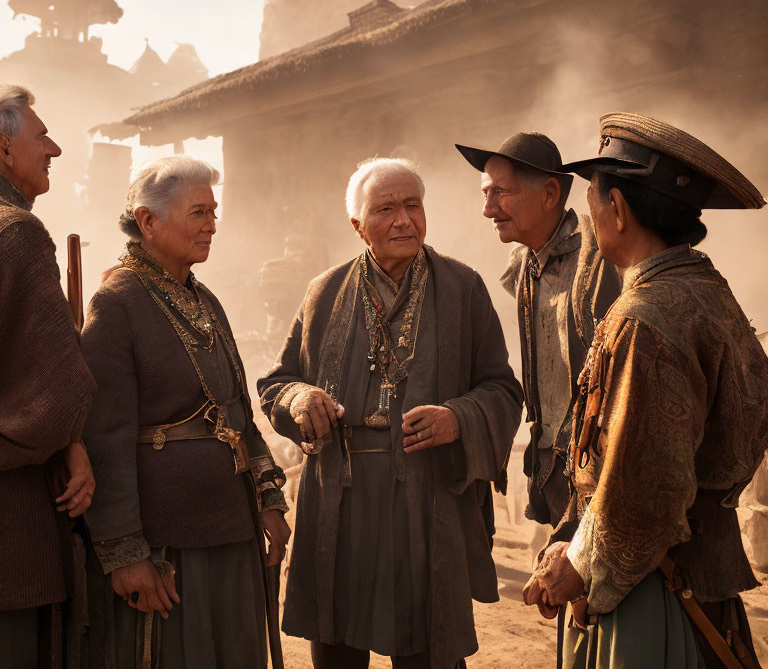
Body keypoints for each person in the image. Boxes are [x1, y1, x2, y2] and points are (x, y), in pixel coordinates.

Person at [522, 113, 768, 668]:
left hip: (652, 594)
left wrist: (576, 564)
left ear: (619, 211)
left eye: (592, 204)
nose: (590, 219)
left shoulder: (645, 316)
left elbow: (646, 488)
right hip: (693, 574)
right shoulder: (709, 292)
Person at [258, 156, 524, 669]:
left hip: (425, 500)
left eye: (413, 205)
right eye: (386, 208)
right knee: (337, 645)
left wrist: (458, 418)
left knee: (427, 644)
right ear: (358, 225)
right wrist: (298, 398)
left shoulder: (462, 288)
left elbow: (504, 389)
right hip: (342, 497)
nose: (404, 219)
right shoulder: (325, 292)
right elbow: (276, 382)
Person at [81, 156, 291, 669]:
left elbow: (237, 411)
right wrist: (125, 554)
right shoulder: (117, 303)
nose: (212, 225)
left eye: (213, 212)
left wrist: (267, 496)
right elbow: (103, 438)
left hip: (231, 525)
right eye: (198, 212)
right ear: (148, 221)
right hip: (166, 543)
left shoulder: (205, 299)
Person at [456, 132, 620, 528]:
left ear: (549, 194)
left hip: (606, 476)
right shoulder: (524, 265)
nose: (487, 209)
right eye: (484, 193)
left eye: (500, 193)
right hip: (554, 469)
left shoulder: (602, 260)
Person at [0, 85, 96, 668]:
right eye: (41, 138)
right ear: (4, 150)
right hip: (12, 520)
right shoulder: (18, 233)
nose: (55, 147)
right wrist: (70, 436)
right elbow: (60, 393)